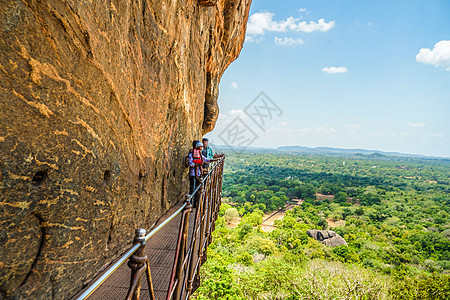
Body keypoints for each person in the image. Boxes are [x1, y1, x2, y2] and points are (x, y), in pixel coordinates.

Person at [188, 141, 210, 207]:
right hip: (193, 174)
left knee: (198, 189)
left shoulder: (199, 154)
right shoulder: (191, 154)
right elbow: (190, 164)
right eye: (200, 147)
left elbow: (205, 159)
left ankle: (195, 204)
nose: (201, 148)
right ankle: (190, 203)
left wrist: (211, 160)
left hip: (198, 173)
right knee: (193, 189)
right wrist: (198, 164)